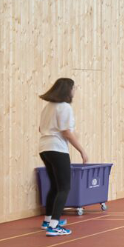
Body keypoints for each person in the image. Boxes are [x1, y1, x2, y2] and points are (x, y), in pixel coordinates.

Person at [37, 78, 89, 236]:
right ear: (68, 90)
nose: (75, 90)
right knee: (65, 187)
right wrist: (82, 150)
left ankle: (48, 220)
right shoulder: (65, 107)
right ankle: (54, 226)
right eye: (74, 87)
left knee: (55, 185)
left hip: (44, 148)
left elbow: (41, 128)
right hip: (57, 149)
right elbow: (66, 132)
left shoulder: (48, 107)